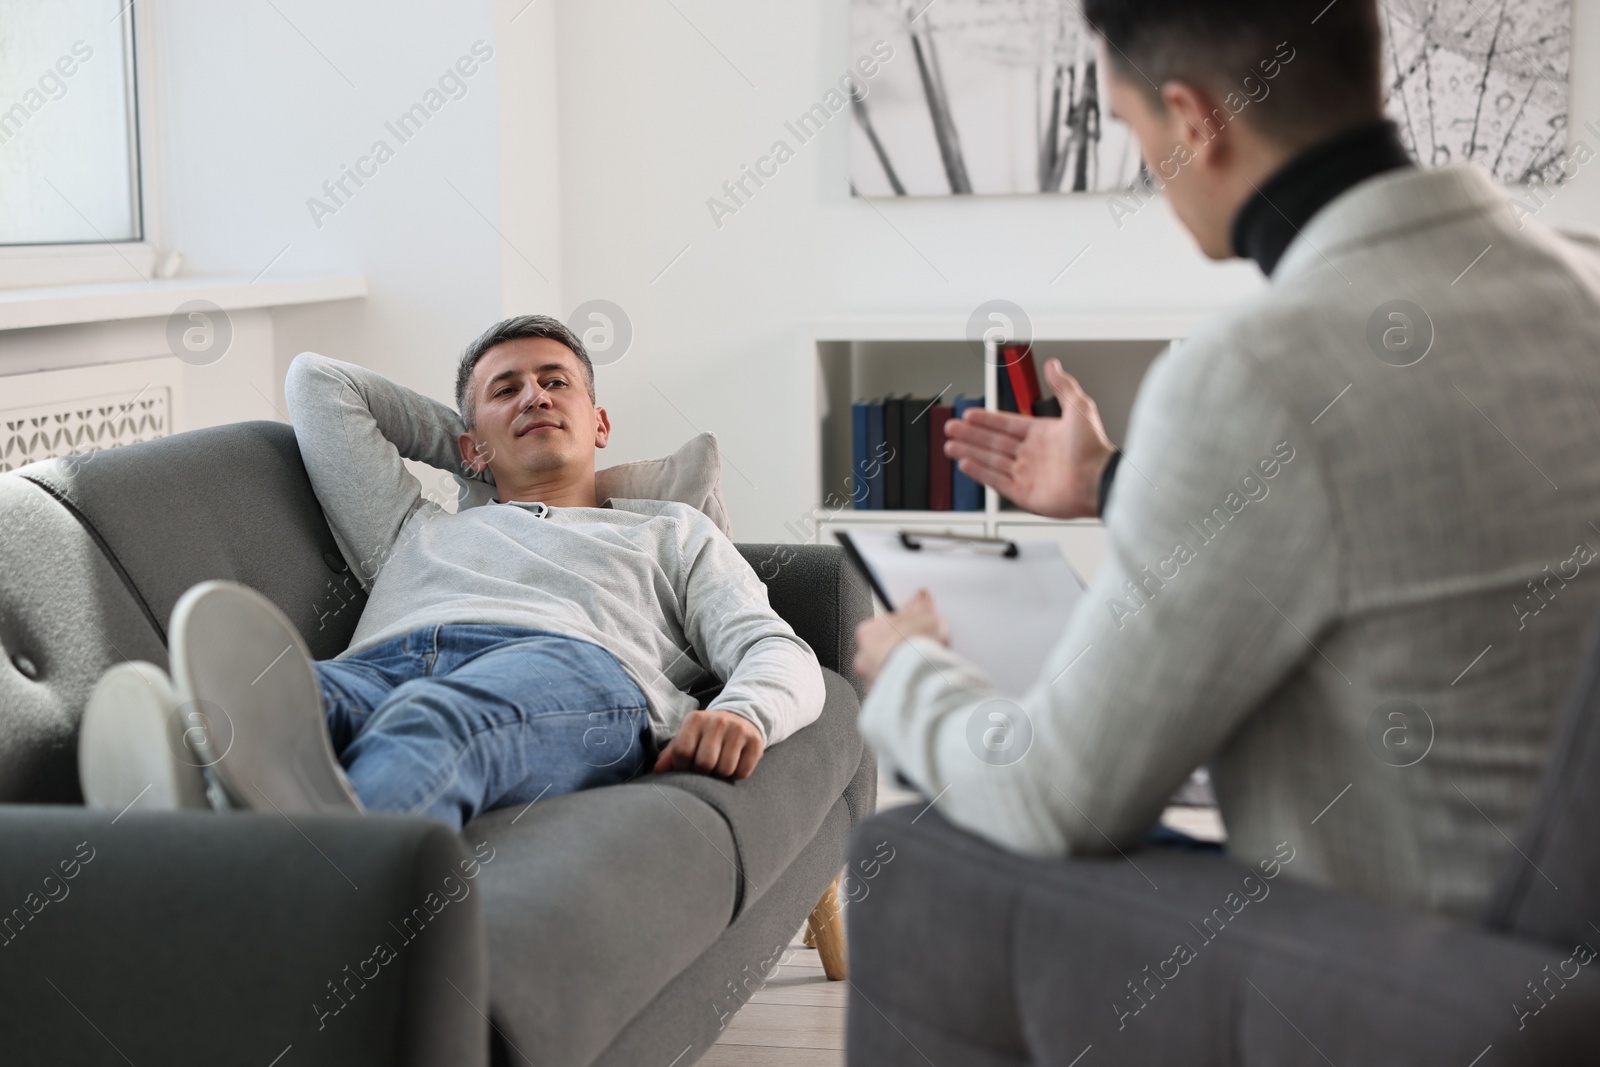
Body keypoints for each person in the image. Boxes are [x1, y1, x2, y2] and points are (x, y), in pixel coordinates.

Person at [852, 0, 1600, 919]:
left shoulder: (1261, 368)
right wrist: (1106, 480)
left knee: (917, 848)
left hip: (1405, 986)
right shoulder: (1578, 283)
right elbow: (1392, 525)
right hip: (1556, 957)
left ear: (1196, 122)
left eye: (1131, 128)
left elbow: (1052, 793)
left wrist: (909, 669)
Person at [80, 315, 825, 831]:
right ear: (467, 445)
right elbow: (318, 382)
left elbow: (781, 651)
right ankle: (207, 796)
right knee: (273, 695)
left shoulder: (671, 529)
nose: (534, 394)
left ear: (600, 424)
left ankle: (323, 891)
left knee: (429, 721)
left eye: (556, 383)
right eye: (508, 389)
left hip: (574, 669)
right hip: (379, 663)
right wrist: (478, 455)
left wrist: (742, 713)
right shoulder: (414, 529)